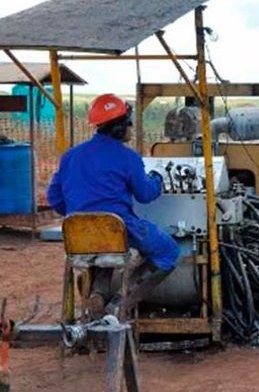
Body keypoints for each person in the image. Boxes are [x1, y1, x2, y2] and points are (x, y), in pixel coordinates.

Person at [48, 94, 179, 316]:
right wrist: (158, 180)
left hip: (80, 234)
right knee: (168, 252)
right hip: (119, 228)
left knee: (102, 248)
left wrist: (81, 216)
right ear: (118, 128)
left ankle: (98, 296)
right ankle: (119, 303)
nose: (131, 127)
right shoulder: (128, 158)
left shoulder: (70, 156)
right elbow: (145, 194)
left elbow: (54, 198)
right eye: (129, 123)